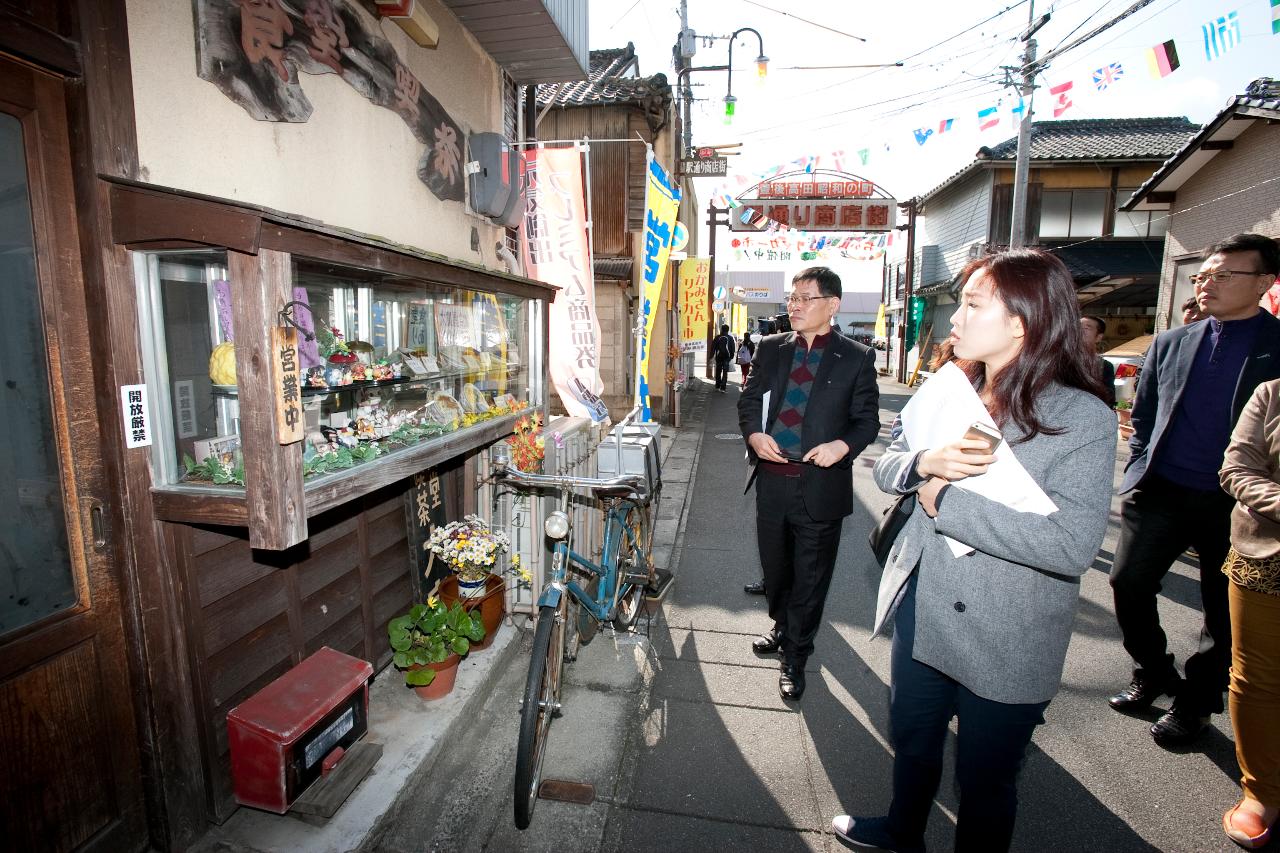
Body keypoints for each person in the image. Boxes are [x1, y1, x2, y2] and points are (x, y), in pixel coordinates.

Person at [833, 249, 1116, 853]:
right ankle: (901, 831)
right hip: (925, 604)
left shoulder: (1081, 416)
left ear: (1022, 321)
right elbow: (887, 467)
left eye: (972, 304)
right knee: (911, 738)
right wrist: (923, 464)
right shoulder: (950, 388)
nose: (954, 318)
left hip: (1010, 626)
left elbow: (1071, 545)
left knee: (986, 778)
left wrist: (944, 501)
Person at [1108, 233, 1280, 747]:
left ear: (1265, 282)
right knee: (1128, 584)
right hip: (1161, 490)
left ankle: (1197, 701)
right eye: (1204, 275)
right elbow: (1144, 415)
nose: (1208, 284)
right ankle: (1154, 670)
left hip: (1239, 505)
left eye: (1225, 275)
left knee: (1220, 608)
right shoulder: (1171, 341)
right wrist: (1140, 464)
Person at [737, 266, 880, 701]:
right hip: (772, 483)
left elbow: (866, 421)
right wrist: (753, 435)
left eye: (805, 298)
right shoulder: (771, 347)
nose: (794, 305)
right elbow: (749, 400)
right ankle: (783, 626)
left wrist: (842, 445)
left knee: (811, 578)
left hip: (821, 486)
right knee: (777, 570)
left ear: (832, 306)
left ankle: (796, 655)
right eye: (792, 297)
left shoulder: (856, 356)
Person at [1218, 377, 1280, 850]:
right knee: (1258, 680)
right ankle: (1262, 791)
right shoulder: (1271, 394)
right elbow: (1236, 469)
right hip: (1267, 558)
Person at [1080, 314, 1117, 408]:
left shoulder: (1104, 366)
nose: (1080, 331)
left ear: (1098, 337)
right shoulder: (1059, 360)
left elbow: (1109, 399)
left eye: (1087, 328)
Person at [712, 324, 735, 392]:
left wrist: (711, 356)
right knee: (725, 373)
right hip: (727, 358)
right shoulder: (730, 338)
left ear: (721, 329)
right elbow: (732, 348)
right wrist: (731, 357)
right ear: (728, 330)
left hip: (719, 357)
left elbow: (713, 347)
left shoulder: (717, 337)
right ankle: (723, 388)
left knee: (718, 371)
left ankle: (717, 386)